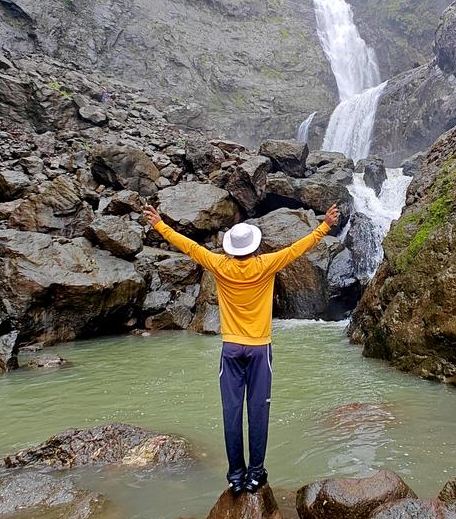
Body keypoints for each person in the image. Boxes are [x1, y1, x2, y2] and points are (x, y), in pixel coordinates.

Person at [142, 201, 341, 495]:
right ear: (254, 247)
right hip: (260, 350)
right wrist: (325, 225)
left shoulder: (220, 265)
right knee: (258, 412)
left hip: (231, 349)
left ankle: (236, 476)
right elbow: (298, 249)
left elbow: (189, 247)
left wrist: (159, 224)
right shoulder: (266, 264)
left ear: (231, 248)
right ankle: (255, 475)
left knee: (231, 412)